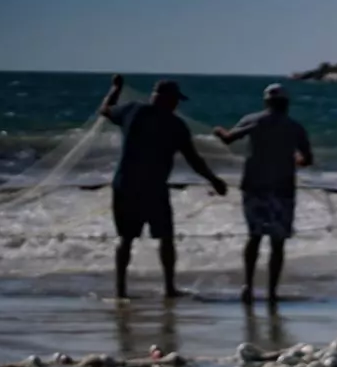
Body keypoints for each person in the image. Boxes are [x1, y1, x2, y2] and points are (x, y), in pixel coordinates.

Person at [99, 75, 228, 300]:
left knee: (126, 239)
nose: (177, 104)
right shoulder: (175, 125)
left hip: (125, 185)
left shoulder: (132, 111)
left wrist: (115, 89)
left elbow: (106, 109)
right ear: (167, 99)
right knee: (165, 238)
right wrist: (213, 180)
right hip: (153, 189)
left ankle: (121, 291)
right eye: (175, 99)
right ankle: (169, 288)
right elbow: (194, 159)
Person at [213, 84, 314, 306]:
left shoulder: (254, 120)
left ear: (266, 102)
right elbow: (307, 158)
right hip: (283, 189)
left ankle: (248, 286)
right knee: (277, 242)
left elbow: (229, 138)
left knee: (254, 237)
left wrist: (218, 131)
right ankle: (271, 292)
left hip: (254, 186)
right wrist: (295, 160)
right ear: (286, 104)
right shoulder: (294, 127)